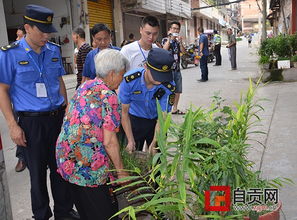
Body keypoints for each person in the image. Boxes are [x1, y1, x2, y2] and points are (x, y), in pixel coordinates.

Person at [0, 5, 79, 220]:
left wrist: (67, 107)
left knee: (61, 169)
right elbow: (2, 91)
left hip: (57, 119)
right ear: (27, 27)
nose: (46, 35)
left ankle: (64, 212)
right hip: (31, 123)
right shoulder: (9, 54)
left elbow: (58, 81)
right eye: (41, 31)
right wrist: (12, 125)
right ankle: (41, 215)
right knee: (37, 175)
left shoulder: (53, 50)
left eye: (48, 31)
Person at [56, 49, 129, 220]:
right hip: (87, 167)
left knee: (86, 210)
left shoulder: (85, 85)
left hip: (67, 159)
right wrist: (121, 172)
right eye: (122, 75)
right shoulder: (109, 97)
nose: (122, 80)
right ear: (112, 74)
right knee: (103, 213)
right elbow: (110, 142)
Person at [119, 48, 175, 153]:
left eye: (163, 76)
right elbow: (124, 112)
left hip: (156, 122)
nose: (160, 80)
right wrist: (130, 140)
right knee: (131, 156)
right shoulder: (130, 81)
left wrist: (154, 142)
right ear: (145, 66)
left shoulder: (168, 86)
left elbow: (162, 117)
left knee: (157, 159)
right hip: (134, 121)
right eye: (156, 75)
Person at [162, 21, 186, 115]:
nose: (175, 30)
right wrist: (170, 38)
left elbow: (183, 52)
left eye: (177, 29)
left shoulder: (178, 41)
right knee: (167, 90)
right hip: (167, 70)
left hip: (177, 69)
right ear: (170, 30)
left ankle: (174, 109)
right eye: (174, 28)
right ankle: (165, 109)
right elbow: (164, 50)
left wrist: (180, 42)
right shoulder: (165, 40)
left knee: (178, 90)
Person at [14, 24, 27, 172]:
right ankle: (22, 158)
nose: (17, 39)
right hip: (19, 99)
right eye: (16, 36)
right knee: (19, 128)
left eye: (20, 36)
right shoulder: (13, 53)